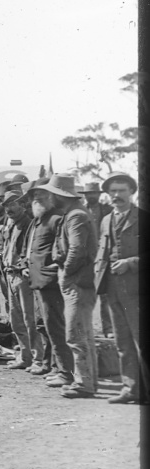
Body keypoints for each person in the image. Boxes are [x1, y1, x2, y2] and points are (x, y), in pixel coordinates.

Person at [39, 174, 100, 399]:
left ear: (60, 195)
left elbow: (76, 250)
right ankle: (87, 381)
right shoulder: (73, 214)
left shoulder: (75, 216)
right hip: (79, 280)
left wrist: (66, 274)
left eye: (51, 194)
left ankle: (84, 383)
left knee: (76, 334)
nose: (49, 198)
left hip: (77, 282)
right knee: (81, 333)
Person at [95, 172, 144, 404]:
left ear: (132, 192)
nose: (116, 196)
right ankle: (130, 389)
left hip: (137, 291)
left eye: (122, 191)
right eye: (112, 191)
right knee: (122, 342)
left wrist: (131, 262)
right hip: (112, 290)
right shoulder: (105, 220)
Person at [26, 179, 75, 389]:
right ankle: (56, 367)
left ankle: (65, 371)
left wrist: (55, 267)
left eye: (42, 197)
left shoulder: (56, 219)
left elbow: (63, 248)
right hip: (37, 280)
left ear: (51, 198)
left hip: (50, 281)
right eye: (34, 197)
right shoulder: (38, 220)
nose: (37, 200)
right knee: (46, 325)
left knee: (56, 326)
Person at [0, 191, 38, 371]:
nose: (9, 208)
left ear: (23, 205)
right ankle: (25, 356)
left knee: (30, 319)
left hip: (22, 276)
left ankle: (38, 358)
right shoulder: (12, 225)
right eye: (6, 205)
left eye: (13, 204)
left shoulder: (29, 225)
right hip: (10, 275)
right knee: (16, 320)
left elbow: (29, 252)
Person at [82, 181, 115, 337]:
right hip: (85, 259)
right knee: (84, 294)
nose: (91, 196)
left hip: (103, 257)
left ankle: (108, 329)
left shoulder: (108, 210)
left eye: (94, 193)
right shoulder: (81, 211)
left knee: (104, 294)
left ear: (99, 195)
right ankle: (87, 329)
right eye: (88, 194)